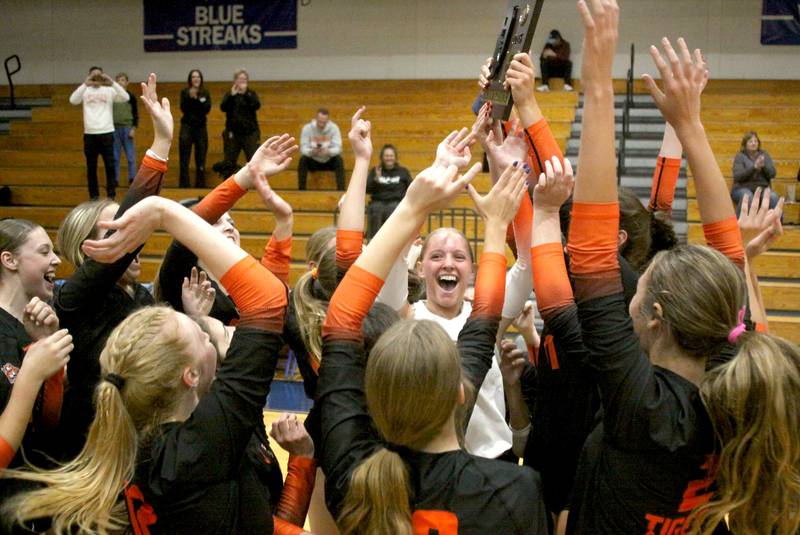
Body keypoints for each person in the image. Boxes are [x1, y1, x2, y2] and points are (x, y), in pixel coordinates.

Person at [3, 190, 289, 533]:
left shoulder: (134, 446)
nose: (208, 332)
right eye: (200, 335)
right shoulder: (204, 442)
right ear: (190, 375)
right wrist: (161, 211)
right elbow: (268, 299)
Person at [318, 146, 549, 534]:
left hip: (491, 457)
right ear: (420, 266)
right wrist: (498, 216)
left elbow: (526, 262)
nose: (447, 263)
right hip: (464, 483)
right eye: (436, 255)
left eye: (459, 256)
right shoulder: (406, 315)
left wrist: (421, 200)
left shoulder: (355, 477)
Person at [53, 73, 170, 461]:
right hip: (89, 452)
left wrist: (240, 181)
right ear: (87, 245)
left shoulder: (139, 294)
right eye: (116, 226)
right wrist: (160, 147)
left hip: (139, 445)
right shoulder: (72, 298)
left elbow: (186, 230)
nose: (132, 236)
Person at [0, 219, 68, 470]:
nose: (57, 259)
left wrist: (47, 345)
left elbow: (47, 423)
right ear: (10, 260)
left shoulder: (37, 324)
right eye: (44, 251)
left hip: (37, 475)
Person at [69, 66, 130, 200]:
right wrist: (86, 83)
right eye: (93, 75)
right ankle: (94, 196)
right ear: (88, 76)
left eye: (99, 75)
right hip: (90, 134)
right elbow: (73, 100)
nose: (96, 78)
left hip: (107, 132)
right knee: (91, 167)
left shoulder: (108, 90)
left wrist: (111, 81)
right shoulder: (85, 90)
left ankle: (111, 195)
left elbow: (125, 97)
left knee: (110, 165)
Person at [366, 144, 412, 238]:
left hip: (396, 202)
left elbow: (411, 188)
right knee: (376, 210)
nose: (389, 158)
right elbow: (367, 189)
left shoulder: (403, 172)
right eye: (386, 156)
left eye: (391, 156)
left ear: (395, 157)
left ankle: (392, 242)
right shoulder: (375, 171)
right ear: (382, 158)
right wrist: (376, 180)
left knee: (393, 210)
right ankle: (373, 242)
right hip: (378, 202)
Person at [220, 68, 261, 167]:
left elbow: (257, 105)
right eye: (240, 79)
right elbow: (223, 107)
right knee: (229, 162)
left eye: (244, 79)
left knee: (253, 161)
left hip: (250, 133)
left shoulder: (251, 93)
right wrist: (231, 96)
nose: (242, 81)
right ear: (235, 81)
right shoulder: (229, 94)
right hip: (233, 134)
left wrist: (245, 94)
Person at [731, 131, 779, 215]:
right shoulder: (740, 156)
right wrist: (754, 167)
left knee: (773, 197)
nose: (753, 143)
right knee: (748, 197)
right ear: (745, 144)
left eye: (755, 141)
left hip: (762, 188)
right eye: (750, 141)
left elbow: (772, 174)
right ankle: (739, 226)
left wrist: (764, 166)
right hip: (742, 188)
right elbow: (737, 177)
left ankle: (775, 226)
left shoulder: (764, 155)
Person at [298, 108, 345, 191]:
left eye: (324, 122)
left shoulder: (334, 128)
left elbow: (338, 148)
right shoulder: (307, 128)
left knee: (339, 160)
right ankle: (302, 190)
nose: (321, 124)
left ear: (327, 120)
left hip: (328, 159)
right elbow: (303, 148)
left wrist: (329, 151)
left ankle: (341, 190)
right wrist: (311, 152)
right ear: (316, 119)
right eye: (320, 121)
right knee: (303, 160)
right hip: (313, 159)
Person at [179, 69, 211, 188]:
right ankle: (184, 185)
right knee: (184, 158)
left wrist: (196, 99)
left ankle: (200, 185)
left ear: (201, 79)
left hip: (200, 128)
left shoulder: (205, 93)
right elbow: (183, 108)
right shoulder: (184, 92)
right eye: (193, 77)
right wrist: (190, 98)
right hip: (187, 127)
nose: (196, 79)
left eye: (198, 77)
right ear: (190, 80)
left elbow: (206, 109)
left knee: (201, 158)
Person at [112, 73, 138, 185]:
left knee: (130, 156)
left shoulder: (130, 96)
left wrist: (134, 128)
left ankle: (132, 178)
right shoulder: (112, 96)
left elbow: (135, 113)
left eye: (122, 80)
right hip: (114, 128)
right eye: (118, 80)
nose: (120, 82)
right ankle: (115, 179)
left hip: (127, 128)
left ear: (127, 83)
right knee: (115, 156)